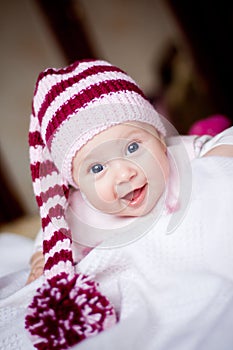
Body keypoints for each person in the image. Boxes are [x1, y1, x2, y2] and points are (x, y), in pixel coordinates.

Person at [1, 59, 233, 350]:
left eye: (133, 148)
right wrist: (41, 257)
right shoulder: (83, 211)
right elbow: (55, 234)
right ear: (76, 185)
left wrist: (215, 161)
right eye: (97, 169)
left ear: (160, 138)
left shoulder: (180, 157)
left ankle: (206, 127)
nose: (124, 174)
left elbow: (226, 144)